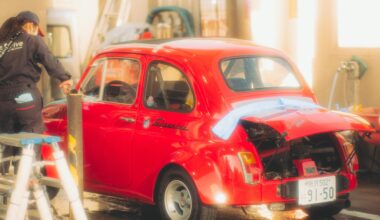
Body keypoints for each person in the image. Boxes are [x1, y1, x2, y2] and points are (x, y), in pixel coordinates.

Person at [0, 11, 72, 174]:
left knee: (6, 145)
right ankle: (25, 185)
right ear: (31, 25)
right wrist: (64, 79)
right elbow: (48, 58)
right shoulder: (31, 40)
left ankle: (3, 189)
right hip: (24, 99)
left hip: (2, 102)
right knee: (29, 145)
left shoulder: (1, 44)